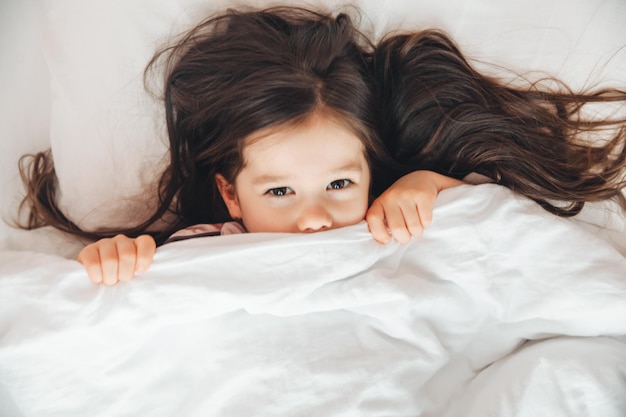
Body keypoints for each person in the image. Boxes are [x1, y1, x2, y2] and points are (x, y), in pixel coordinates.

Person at [17, 6, 626, 286]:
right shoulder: (202, 247)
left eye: (339, 184)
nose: (313, 219)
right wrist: (112, 259)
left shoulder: (389, 214)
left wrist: (430, 185)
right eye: (278, 191)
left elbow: (493, 227)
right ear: (230, 195)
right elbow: (127, 296)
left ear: (369, 172)